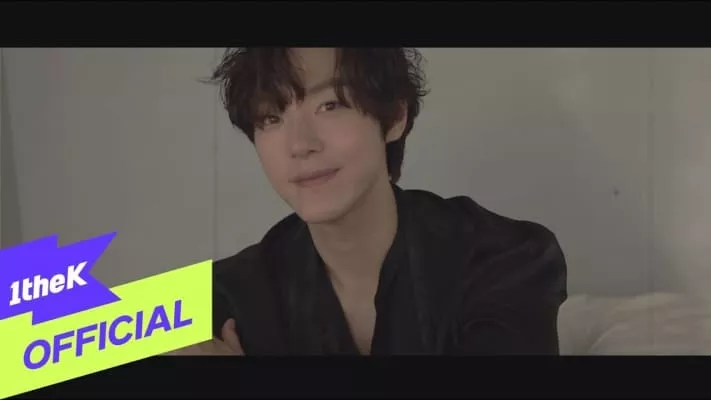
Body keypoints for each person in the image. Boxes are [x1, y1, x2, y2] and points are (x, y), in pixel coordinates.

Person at [174, 47, 567, 356]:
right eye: (271, 117)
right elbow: (131, 323)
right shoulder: (239, 284)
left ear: (394, 116)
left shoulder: (509, 258)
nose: (299, 144)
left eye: (330, 105)